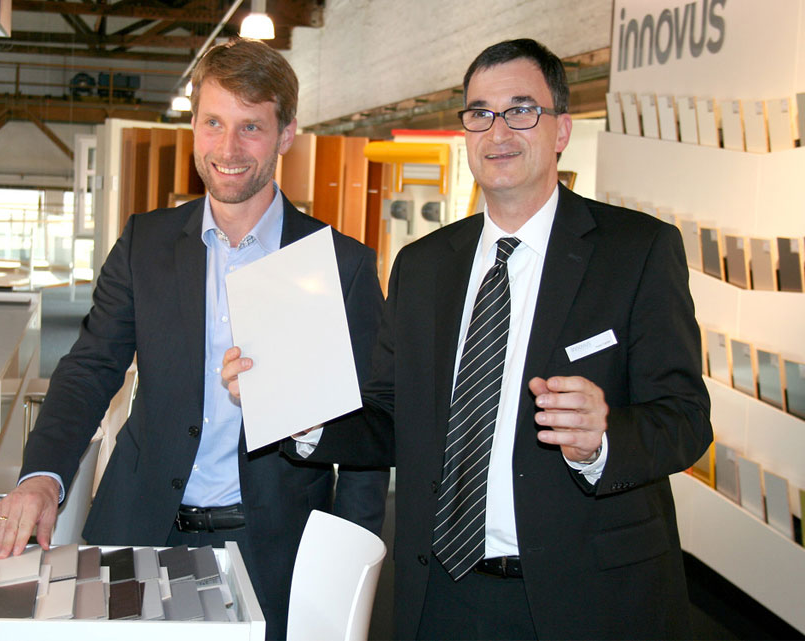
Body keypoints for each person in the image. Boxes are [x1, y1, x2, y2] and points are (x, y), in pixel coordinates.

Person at [224, 38, 712, 640]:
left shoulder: (636, 251)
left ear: (560, 129)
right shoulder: (423, 265)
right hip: (442, 593)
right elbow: (388, 415)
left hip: (589, 594)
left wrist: (602, 439)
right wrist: (300, 414)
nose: (498, 131)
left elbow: (686, 418)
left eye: (521, 110)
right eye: (480, 113)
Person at [0, 38, 388, 639]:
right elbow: (90, 367)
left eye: (251, 127)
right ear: (194, 127)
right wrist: (43, 475)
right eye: (213, 123)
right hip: (139, 529)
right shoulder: (145, 243)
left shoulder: (338, 264)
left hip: (272, 547)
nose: (227, 149)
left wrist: (347, 565)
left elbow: (368, 432)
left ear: (285, 134)